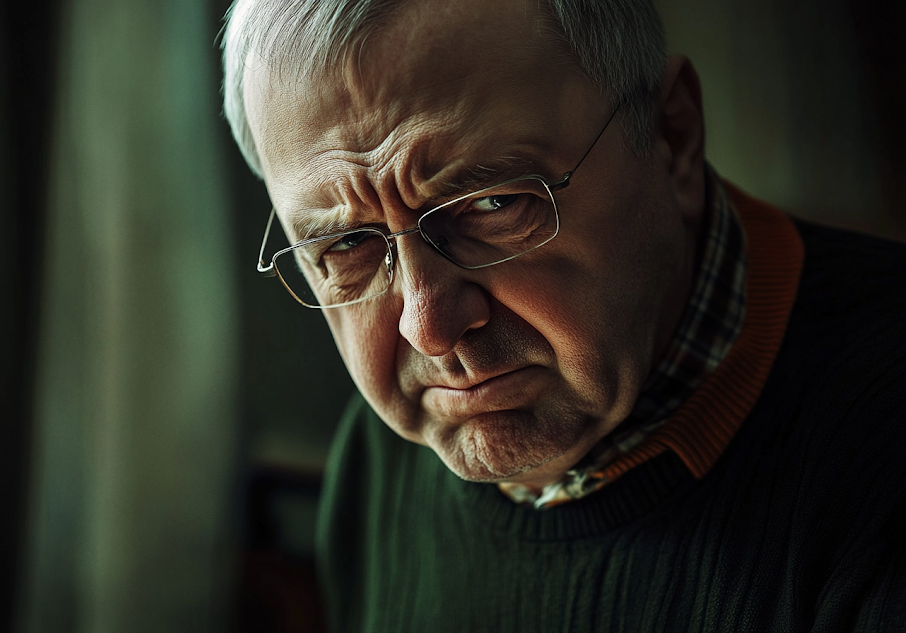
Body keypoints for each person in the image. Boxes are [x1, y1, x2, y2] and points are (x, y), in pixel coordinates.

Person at [221, 0, 906, 630]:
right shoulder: (381, 459)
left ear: (672, 137)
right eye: (344, 244)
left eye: (491, 204)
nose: (427, 328)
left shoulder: (876, 447)